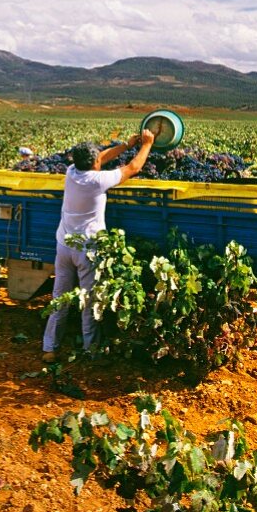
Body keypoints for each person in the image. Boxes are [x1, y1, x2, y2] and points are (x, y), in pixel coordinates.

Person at [42, 128, 155, 362]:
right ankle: (90, 349)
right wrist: (146, 144)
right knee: (90, 302)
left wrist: (126, 145)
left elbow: (101, 157)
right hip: (87, 251)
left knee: (59, 299)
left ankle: (50, 349)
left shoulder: (71, 172)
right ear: (93, 163)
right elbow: (134, 168)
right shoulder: (97, 181)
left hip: (64, 246)